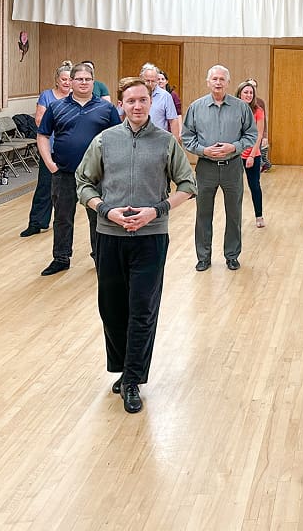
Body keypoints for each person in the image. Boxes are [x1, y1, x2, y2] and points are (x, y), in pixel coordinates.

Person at [76, 77, 198, 414]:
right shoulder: (104, 141)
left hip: (151, 237)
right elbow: (83, 183)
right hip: (109, 236)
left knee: (142, 308)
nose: (138, 106)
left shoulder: (165, 143)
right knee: (112, 308)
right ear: (121, 105)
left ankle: (132, 380)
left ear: (152, 102)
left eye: (143, 100)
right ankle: (124, 368)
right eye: (131, 101)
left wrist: (155, 211)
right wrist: (106, 210)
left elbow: (188, 184)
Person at [36, 63, 121, 276]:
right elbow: (43, 135)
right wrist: (49, 163)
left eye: (87, 79)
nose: (83, 83)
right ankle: (61, 258)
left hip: (97, 176)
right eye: (79, 79)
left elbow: (118, 138)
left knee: (98, 218)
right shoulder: (56, 107)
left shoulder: (106, 108)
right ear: (71, 82)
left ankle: (100, 258)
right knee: (63, 217)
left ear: (94, 82)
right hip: (64, 173)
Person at [182, 65, 257, 272]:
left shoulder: (241, 107)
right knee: (203, 214)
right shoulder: (196, 108)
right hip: (206, 168)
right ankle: (203, 257)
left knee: (234, 213)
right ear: (208, 82)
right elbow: (187, 138)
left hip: (232, 167)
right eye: (214, 79)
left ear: (228, 82)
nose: (218, 82)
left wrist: (235, 146)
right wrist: (204, 151)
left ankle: (232, 255)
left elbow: (251, 135)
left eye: (222, 79)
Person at [20, 61, 72, 237]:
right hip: (49, 149)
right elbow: (39, 120)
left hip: (71, 150)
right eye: (63, 79)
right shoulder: (47, 96)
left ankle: (65, 224)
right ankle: (36, 222)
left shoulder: (77, 98)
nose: (66, 82)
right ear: (57, 80)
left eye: (69, 79)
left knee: (71, 188)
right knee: (45, 186)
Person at [236, 80, 267, 228]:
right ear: (240, 94)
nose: (248, 95)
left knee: (254, 185)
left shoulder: (258, 110)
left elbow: (258, 135)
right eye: (246, 92)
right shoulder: (233, 109)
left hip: (252, 154)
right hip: (235, 155)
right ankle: (235, 217)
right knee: (235, 188)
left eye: (251, 92)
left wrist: (251, 155)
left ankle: (259, 215)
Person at [139, 64, 180, 141]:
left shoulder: (165, 96)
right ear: (141, 79)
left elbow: (173, 120)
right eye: (147, 81)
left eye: (153, 81)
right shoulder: (134, 94)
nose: (150, 84)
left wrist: (176, 143)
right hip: (138, 139)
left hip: (159, 140)